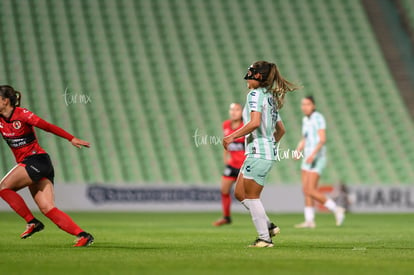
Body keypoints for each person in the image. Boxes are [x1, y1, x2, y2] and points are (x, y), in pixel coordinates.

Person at [0, 85, 94, 247]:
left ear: (5, 101)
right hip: (38, 164)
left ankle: (32, 222)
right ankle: (84, 236)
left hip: (36, 160)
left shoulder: (22, 114)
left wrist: (71, 138)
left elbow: (47, 127)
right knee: (47, 208)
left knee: (3, 188)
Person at [223, 61, 298, 247]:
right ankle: (269, 226)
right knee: (240, 193)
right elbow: (281, 130)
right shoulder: (269, 97)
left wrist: (232, 137)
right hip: (262, 152)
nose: (247, 77)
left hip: (258, 152)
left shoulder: (254, 95)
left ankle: (265, 238)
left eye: (250, 72)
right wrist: (270, 145)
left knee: (251, 196)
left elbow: (255, 122)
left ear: (257, 76)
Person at [294, 96, 345, 228]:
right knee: (306, 190)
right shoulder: (305, 119)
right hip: (307, 157)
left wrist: (313, 154)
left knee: (310, 189)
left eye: (308, 104)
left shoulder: (318, 117)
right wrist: (298, 149)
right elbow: (305, 138)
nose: (305, 107)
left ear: (313, 106)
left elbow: (322, 139)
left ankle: (336, 208)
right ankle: (309, 220)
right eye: (303, 104)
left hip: (316, 157)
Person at [213, 103, 245, 226]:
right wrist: (225, 157)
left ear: (242, 112)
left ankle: (259, 217)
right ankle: (226, 217)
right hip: (232, 165)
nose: (233, 112)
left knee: (244, 195)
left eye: (237, 109)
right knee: (224, 190)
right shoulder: (226, 125)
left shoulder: (245, 126)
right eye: (232, 109)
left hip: (244, 165)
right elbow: (226, 142)